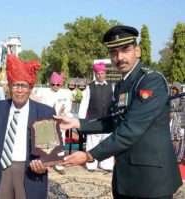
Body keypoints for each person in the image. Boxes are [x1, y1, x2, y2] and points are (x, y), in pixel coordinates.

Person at [55, 25, 182, 199]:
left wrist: (89, 155)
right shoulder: (123, 84)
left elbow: (131, 129)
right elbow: (112, 121)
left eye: (125, 50)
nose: (119, 57)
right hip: (126, 177)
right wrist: (77, 123)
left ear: (137, 51)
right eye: (114, 52)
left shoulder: (151, 81)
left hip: (151, 181)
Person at [0, 54, 55, 199]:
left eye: (24, 85)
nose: (19, 90)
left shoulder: (44, 112)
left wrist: (45, 161)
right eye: (15, 85)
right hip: (2, 169)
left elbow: (49, 148)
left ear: (30, 88)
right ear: (9, 87)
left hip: (30, 170)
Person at [78, 62, 114, 172]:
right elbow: (84, 104)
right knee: (92, 144)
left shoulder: (111, 86)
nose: (100, 76)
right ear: (95, 74)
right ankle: (91, 165)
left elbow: (114, 102)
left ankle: (106, 165)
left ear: (105, 73)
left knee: (107, 143)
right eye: (98, 73)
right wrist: (81, 121)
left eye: (102, 73)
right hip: (94, 120)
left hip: (108, 120)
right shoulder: (90, 87)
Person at [36, 72, 72, 174]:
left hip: (61, 121)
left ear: (60, 84)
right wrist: (51, 109)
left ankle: (59, 164)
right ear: (50, 84)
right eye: (53, 84)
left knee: (61, 143)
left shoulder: (65, 93)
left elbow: (69, 106)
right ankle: (47, 163)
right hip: (47, 121)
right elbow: (39, 105)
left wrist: (63, 110)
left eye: (57, 84)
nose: (55, 86)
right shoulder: (44, 93)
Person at [170, 82, 185, 163]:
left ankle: (179, 157)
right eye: (173, 88)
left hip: (180, 121)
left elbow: (182, 107)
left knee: (180, 140)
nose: (174, 90)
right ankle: (172, 156)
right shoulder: (169, 97)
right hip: (171, 121)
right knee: (173, 140)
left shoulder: (181, 97)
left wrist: (172, 111)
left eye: (176, 89)